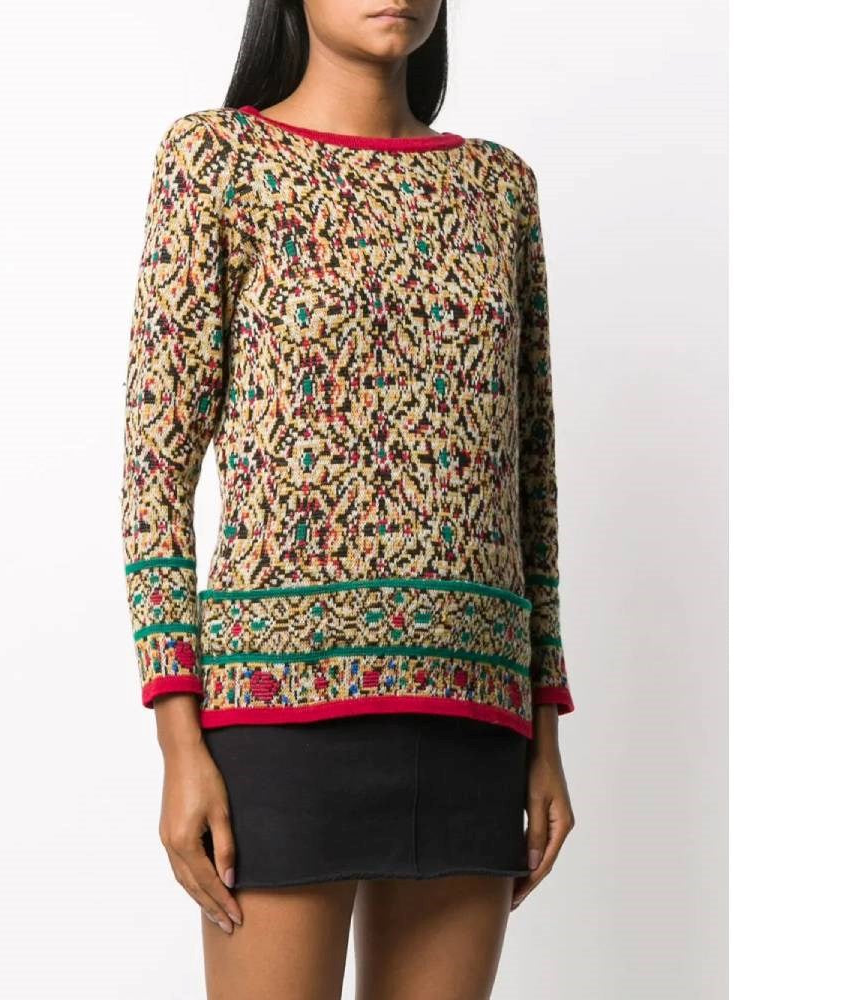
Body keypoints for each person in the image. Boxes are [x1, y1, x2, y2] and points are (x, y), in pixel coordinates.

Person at [120, 1, 576, 996]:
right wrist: (177, 735)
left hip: (474, 711)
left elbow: (529, 475)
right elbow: (155, 469)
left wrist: (545, 729)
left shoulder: (497, 188)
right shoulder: (216, 161)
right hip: (277, 720)